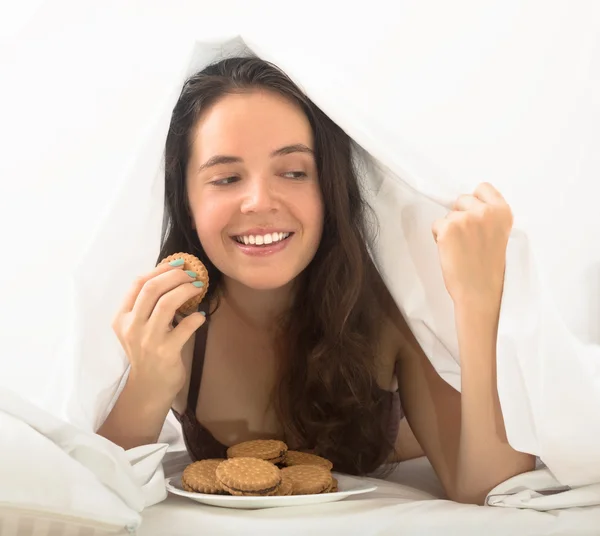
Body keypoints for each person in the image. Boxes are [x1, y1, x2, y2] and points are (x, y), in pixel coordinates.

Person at [97, 56, 535, 505]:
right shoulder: (171, 324)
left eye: (293, 172)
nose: (258, 201)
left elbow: (488, 491)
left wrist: (479, 300)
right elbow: (95, 494)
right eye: (226, 178)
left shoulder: (391, 309)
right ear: (184, 201)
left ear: (331, 188)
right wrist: (147, 384)